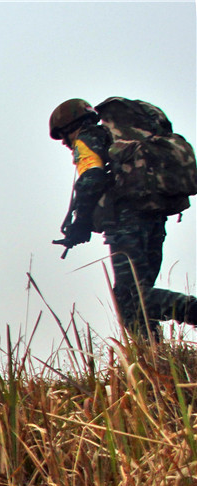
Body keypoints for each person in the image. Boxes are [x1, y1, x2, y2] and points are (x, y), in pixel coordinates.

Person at [49, 98, 197, 336]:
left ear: (68, 128)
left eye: (63, 137)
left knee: (131, 299)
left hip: (126, 221)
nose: (65, 143)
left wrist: (81, 223)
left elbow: (91, 179)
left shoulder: (88, 138)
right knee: (135, 303)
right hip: (155, 217)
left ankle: (191, 312)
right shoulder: (120, 136)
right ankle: (151, 361)